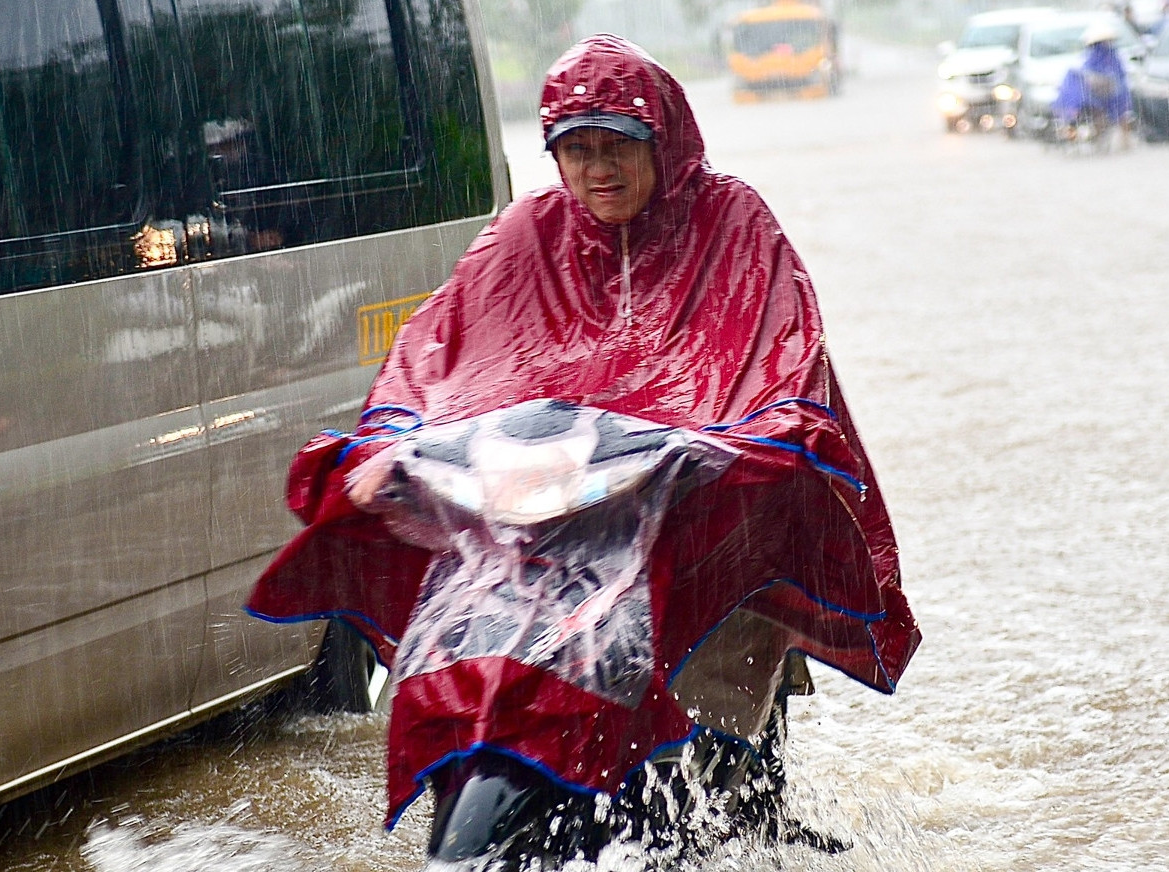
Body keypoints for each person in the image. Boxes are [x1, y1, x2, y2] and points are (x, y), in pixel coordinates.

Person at [247, 36, 919, 825]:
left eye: (617, 147)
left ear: (661, 142)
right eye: (577, 150)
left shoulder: (731, 221)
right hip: (563, 519)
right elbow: (432, 354)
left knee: (725, 688)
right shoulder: (525, 232)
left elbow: (781, 355)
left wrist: (745, 439)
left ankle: (746, 816)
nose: (599, 170)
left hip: (701, 507)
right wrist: (389, 442)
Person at [1051, 22, 1134, 141]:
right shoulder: (1092, 57)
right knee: (1103, 112)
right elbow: (1087, 75)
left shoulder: (1112, 56)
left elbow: (1119, 75)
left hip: (1112, 94)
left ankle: (1123, 139)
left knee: (1122, 112)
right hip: (1096, 96)